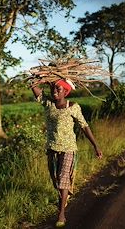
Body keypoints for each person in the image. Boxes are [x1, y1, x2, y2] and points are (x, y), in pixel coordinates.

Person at [31, 78, 103, 227]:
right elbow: (35, 88)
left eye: (59, 89)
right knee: (57, 181)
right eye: (53, 89)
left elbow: (84, 126)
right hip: (52, 148)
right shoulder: (48, 104)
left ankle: (61, 214)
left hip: (68, 149)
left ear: (66, 92)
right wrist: (40, 78)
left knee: (64, 178)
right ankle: (63, 198)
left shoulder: (73, 107)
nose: (55, 92)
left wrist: (95, 146)